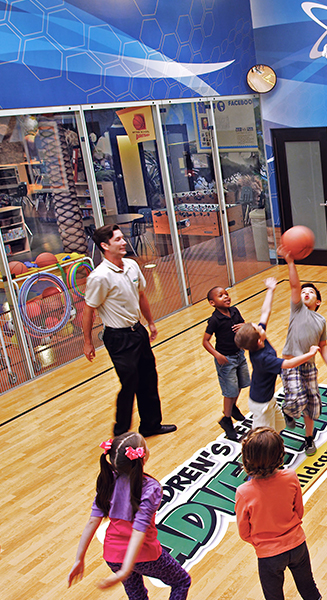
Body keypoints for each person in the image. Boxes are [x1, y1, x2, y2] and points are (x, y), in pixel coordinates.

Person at [68, 432, 191, 599]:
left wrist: (79, 559)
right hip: (146, 555)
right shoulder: (151, 488)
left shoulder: (107, 480)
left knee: (137, 596)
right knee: (181, 581)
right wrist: (126, 569)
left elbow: (92, 522)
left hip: (114, 556)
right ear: (143, 457)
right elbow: (138, 531)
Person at [83, 224, 176, 438]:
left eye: (123, 238)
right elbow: (89, 310)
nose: (124, 242)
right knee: (129, 382)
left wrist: (150, 322)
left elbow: (142, 295)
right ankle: (121, 433)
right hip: (118, 338)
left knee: (149, 377)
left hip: (138, 332)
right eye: (118, 239)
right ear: (104, 245)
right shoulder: (99, 277)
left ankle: (151, 425)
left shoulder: (132, 266)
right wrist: (87, 342)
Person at [235, 427, 321, 600]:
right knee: (308, 587)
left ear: (246, 458)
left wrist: (262, 543)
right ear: (280, 455)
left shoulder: (243, 492)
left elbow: (244, 533)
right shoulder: (291, 476)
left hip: (268, 556)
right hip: (298, 545)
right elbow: (299, 511)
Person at [234, 277, 319, 432]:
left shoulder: (258, 342)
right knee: (262, 436)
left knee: (279, 427)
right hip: (261, 404)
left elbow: (265, 312)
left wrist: (270, 290)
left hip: (268, 399)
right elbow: (289, 364)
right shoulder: (263, 358)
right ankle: (255, 455)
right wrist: (310, 353)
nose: (261, 326)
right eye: (258, 328)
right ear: (260, 341)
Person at [279, 248, 327, 456]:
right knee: (296, 398)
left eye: (311, 292)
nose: (306, 293)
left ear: (318, 302)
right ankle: (287, 411)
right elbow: (295, 284)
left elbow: (323, 345)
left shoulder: (321, 320)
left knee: (311, 404)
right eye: (304, 292)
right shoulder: (297, 309)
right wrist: (290, 262)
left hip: (309, 365)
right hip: (290, 363)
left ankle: (308, 439)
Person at [203, 285, 250, 441]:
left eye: (227, 294)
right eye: (220, 295)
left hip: (239, 354)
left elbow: (243, 326)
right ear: (212, 303)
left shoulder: (235, 311)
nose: (226, 297)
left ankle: (233, 408)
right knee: (230, 391)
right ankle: (227, 419)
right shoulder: (214, 320)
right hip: (226, 360)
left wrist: (245, 326)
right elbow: (205, 341)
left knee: (241, 384)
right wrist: (217, 355)